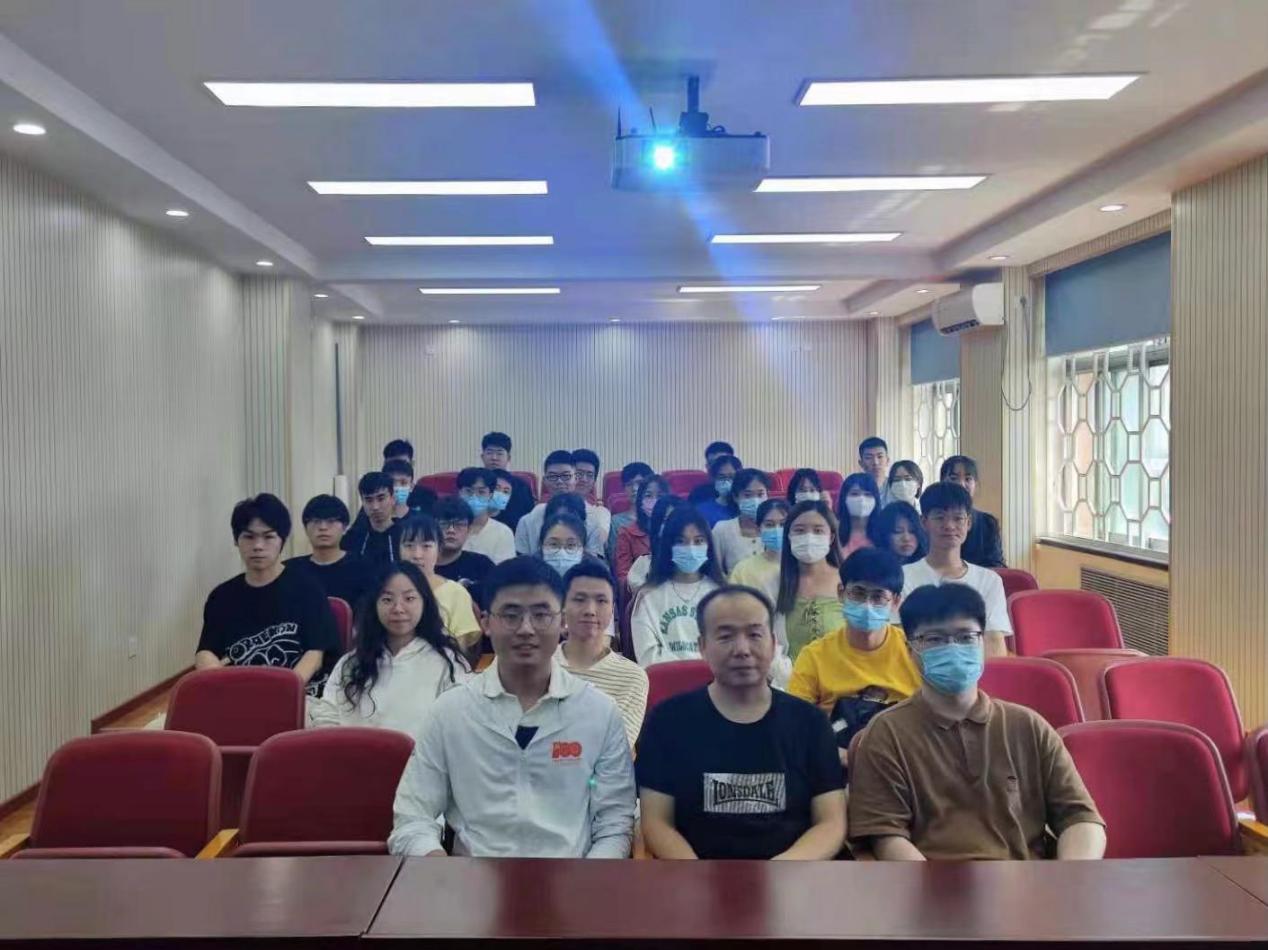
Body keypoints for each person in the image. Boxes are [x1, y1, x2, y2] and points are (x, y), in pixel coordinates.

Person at [389, 556, 636, 858]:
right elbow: (413, 819)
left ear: (562, 621)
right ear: (486, 623)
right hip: (473, 878)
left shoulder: (599, 712)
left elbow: (614, 825)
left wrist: (586, 879)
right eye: (511, 615)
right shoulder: (451, 711)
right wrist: (441, 867)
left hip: (571, 876)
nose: (526, 629)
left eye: (541, 615)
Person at [848, 583, 1106, 861]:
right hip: (929, 880)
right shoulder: (887, 732)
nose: (952, 648)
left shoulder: (1028, 726)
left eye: (966, 637)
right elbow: (886, 836)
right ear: (910, 650)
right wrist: (933, 887)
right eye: (934, 639)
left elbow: (1081, 819)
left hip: (1025, 880)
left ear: (982, 643)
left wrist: (1071, 877)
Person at [636, 585, 846, 860]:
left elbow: (831, 822)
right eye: (725, 636)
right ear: (702, 646)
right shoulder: (667, 721)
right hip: (694, 875)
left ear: (773, 643)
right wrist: (698, 875)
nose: (742, 649)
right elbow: (656, 822)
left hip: (791, 874)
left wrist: (780, 870)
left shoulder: (810, 723)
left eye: (754, 634)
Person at [196, 494, 340, 693]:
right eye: (249, 537)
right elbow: (206, 651)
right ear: (236, 540)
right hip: (239, 693)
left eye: (268, 537)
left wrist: (282, 692)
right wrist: (218, 681)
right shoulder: (221, 596)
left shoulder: (307, 589)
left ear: (282, 541)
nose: (258, 546)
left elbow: (315, 655)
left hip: (299, 693)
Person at [788, 548, 921, 758]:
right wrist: (841, 757)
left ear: (895, 602)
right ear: (841, 593)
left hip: (904, 760)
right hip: (834, 761)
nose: (867, 605)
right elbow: (794, 724)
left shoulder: (915, 651)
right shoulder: (814, 655)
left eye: (878, 597)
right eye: (858, 593)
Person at [310, 563, 471, 731]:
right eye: (387, 600)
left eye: (409, 599)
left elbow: (458, 723)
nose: (398, 609)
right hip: (352, 748)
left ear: (425, 602)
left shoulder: (448, 662)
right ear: (375, 605)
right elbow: (327, 714)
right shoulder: (351, 662)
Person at [901, 482, 1011, 658]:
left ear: (969, 523)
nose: (949, 526)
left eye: (958, 518)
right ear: (924, 522)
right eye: (940, 517)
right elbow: (900, 643)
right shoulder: (904, 577)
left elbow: (994, 645)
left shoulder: (989, 580)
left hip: (975, 671)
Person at [556, 561, 649, 749]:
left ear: (612, 609)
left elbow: (612, 751)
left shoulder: (631, 678)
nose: (590, 611)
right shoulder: (533, 667)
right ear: (562, 607)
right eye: (579, 600)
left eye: (601, 601)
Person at [631, 506, 723, 667]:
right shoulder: (648, 596)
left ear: (708, 545)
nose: (691, 548)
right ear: (668, 546)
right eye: (681, 541)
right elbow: (648, 657)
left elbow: (728, 649)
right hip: (665, 681)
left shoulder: (721, 594)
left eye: (698, 541)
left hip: (717, 680)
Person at [397, 514, 482, 655]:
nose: (417, 555)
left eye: (426, 546)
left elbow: (462, 650)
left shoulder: (455, 593)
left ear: (439, 550)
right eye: (409, 546)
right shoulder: (386, 591)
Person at [776, 501, 843, 660]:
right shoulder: (775, 583)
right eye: (799, 531)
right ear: (789, 536)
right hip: (791, 673)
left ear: (831, 537)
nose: (809, 537)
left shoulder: (848, 581)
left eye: (818, 530)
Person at [284, 494, 374, 607]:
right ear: (305, 528)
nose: (323, 527)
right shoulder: (291, 571)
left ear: (345, 527)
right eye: (316, 521)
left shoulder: (364, 568)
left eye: (331, 521)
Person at [514, 451, 609, 557]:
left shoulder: (592, 519)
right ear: (545, 481)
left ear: (576, 479)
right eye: (552, 476)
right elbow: (522, 561)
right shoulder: (528, 520)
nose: (559, 481)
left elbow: (592, 561)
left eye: (566, 476)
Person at [940, 455, 1006, 568]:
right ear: (942, 482)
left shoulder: (988, 523)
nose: (961, 484)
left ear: (975, 484)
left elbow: (996, 565)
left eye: (968, 479)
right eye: (953, 478)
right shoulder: (931, 520)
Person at [432, 496, 495, 607]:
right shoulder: (422, 566)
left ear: (469, 530)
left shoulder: (483, 566)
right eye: (444, 524)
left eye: (459, 525)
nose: (451, 530)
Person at [729, 498, 789, 603]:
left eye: (783, 524)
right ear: (759, 529)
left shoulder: (803, 566)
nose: (777, 530)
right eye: (769, 525)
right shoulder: (743, 570)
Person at [712, 469, 772, 574]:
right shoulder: (721, 530)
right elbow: (717, 572)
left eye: (760, 494)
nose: (755, 500)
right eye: (747, 495)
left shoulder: (778, 530)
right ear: (736, 497)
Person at [614, 474, 668, 586]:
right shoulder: (626, 533)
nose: (655, 501)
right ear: (640, 501)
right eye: (648, 496)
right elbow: (623, 577)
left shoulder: (677, 529)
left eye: (660, 496)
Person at [627, 494, 685, 593]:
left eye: (678, 520)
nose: (673, 526)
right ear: (657, 527)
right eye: (666, 520)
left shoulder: (695, 561)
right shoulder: (643, 565)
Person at [343, 471, 403, 567]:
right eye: (369, 500)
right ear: (362, 502)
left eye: (381, 499)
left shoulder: (405, 535)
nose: (375, 507)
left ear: (393, 498)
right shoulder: (352, 538)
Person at [456, 467, 516, 564]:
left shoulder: (503, 533)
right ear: (459, 493)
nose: (474, 496)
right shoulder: (447, 528)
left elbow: (505, 571)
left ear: (490, 495)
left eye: (481, 492)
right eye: (468, 491)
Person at [480, 431, 535, 531]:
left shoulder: (521, 486)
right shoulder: (474, 483)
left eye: (499, 453)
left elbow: (529, 519)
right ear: (482, 456)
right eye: (489, 453)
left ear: (508, 458)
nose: (494, 458)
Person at [605, 462, 655, 563]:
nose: (634, 489)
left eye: (639, 483)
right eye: (629, 484)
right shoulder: (616, 522)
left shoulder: (662, 517)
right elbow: (615, 559)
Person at [867, 500, 929, 565]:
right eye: (898, 531)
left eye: (912, 531)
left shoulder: (927, 565)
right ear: (884, 535)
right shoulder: (873, 566)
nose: (906, 538)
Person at [835, 473, 880, 559]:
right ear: (844, 498)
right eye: (855, 494)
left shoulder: (883, 533)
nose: (861, 499)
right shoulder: (834, 529)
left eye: (867, 494)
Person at [538, 510, 589, 578]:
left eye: (571, 545)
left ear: (583, 549)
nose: (562, 553)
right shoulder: (527, 580)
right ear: (541, 546)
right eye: (554, 544)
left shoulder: (596, 581)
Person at [696, 454, 742, 527]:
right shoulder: (702, 510)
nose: (727, 481)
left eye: (732, 477)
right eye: (721, 477)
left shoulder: (747, 507)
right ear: (713, 479)